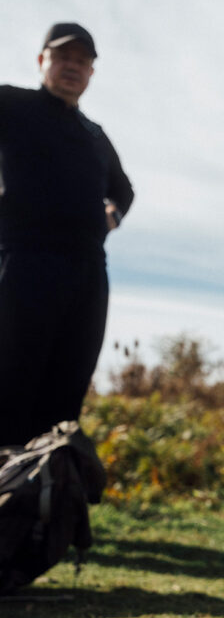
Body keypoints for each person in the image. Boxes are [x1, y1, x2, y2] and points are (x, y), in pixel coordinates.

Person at [0, 23, 133, 444]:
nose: (73, 67)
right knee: (10, 381)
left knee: (67, 388)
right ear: (43, 61)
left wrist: (109, 217)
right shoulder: (12, 104)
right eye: (63, 57)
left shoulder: (95, 135)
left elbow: (124, 190)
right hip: (23, 261)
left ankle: (46, 498)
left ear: (91, 73)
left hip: (87, 272)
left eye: (82, 60)